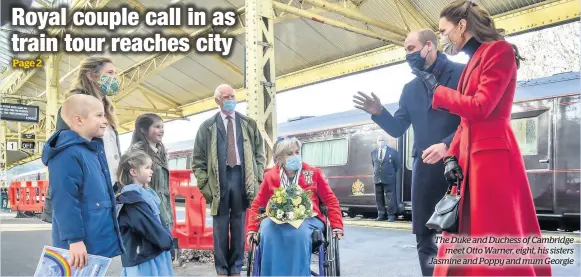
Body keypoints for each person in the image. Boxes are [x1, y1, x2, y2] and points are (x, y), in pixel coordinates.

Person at [411, 1, 551, 276]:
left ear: (462, 26)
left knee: (489, 229)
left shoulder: (499, 51)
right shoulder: (475, 60)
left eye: (444, 31)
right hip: (471, 157)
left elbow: (480, 106)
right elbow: (466, 122)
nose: (443, 39)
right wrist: (449, 153)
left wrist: (437, 91)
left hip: (491, 157)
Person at [353, 29, 464, 276]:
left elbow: (472, 119)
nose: (407, 54)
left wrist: (448, 144)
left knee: (460, 235)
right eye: (405, 49)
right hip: (424, 171)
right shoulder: (410, 88)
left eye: (411, 48)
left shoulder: (460, 73)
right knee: (425, 238)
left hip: (459, 166)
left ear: (429, 46)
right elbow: (397, 128)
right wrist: (379, 112)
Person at [41, 94, 123, 269]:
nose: (105, 121)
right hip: (82, 244)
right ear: (78, 120)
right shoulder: (67, 154)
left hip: (94, 238)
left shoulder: (92, 151)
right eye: (99, 115)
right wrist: (75, 240)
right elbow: (65, 200)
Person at [191, 84, 266, 276]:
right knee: (220, 228)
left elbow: (259, 154)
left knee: (239, 225)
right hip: (219, 179)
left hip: (242, 177)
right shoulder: (207, 126)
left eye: (232, 95)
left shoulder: (248, 124)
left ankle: (236, 268)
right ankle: (221, 269)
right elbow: (198, 161)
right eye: (225, 96)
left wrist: (257, 178)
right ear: (217, 100)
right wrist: (205, 187)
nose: (230, 99)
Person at [246, 137, 344, 276]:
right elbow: (258, 204)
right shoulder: (271, 176)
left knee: (298, 233)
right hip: (278, 219)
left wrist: (336, 225)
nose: (295, 156)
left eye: (297, 152)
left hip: (309, 219)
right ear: (279, 158)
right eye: (289, 154)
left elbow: (330, 200)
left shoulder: (313, 173)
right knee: (267, 229)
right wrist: (251, 229)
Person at [41, 56, 122, 224]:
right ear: (91, 75)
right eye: (110, 72)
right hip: (86, 193)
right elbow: (66, 154)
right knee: (80, 247)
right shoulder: (75, 106)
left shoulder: (105, 108)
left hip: (107, 190)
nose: (115, 77)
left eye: (116, 73)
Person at [116, 150, 174, 277]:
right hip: (146, 260)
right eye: (147, 167)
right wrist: (168, 243)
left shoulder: (137, 197)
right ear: (133, 172)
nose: (151, 171)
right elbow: (151, 228)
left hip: (144, 256)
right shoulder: (133, 201)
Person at [371, 135, 400, 222]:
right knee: (378, 197)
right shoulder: (373, 152)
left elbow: (397, 165)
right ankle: (381, 214)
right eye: (379, 140)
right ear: (377, 142)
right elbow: (374, 164)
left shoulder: (393, 152)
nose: (380, 142)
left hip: (389, 177)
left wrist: (389, 173)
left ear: (385, 141)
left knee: (390, 197)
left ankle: (391, 215)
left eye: (382, 140)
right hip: (377, 177)